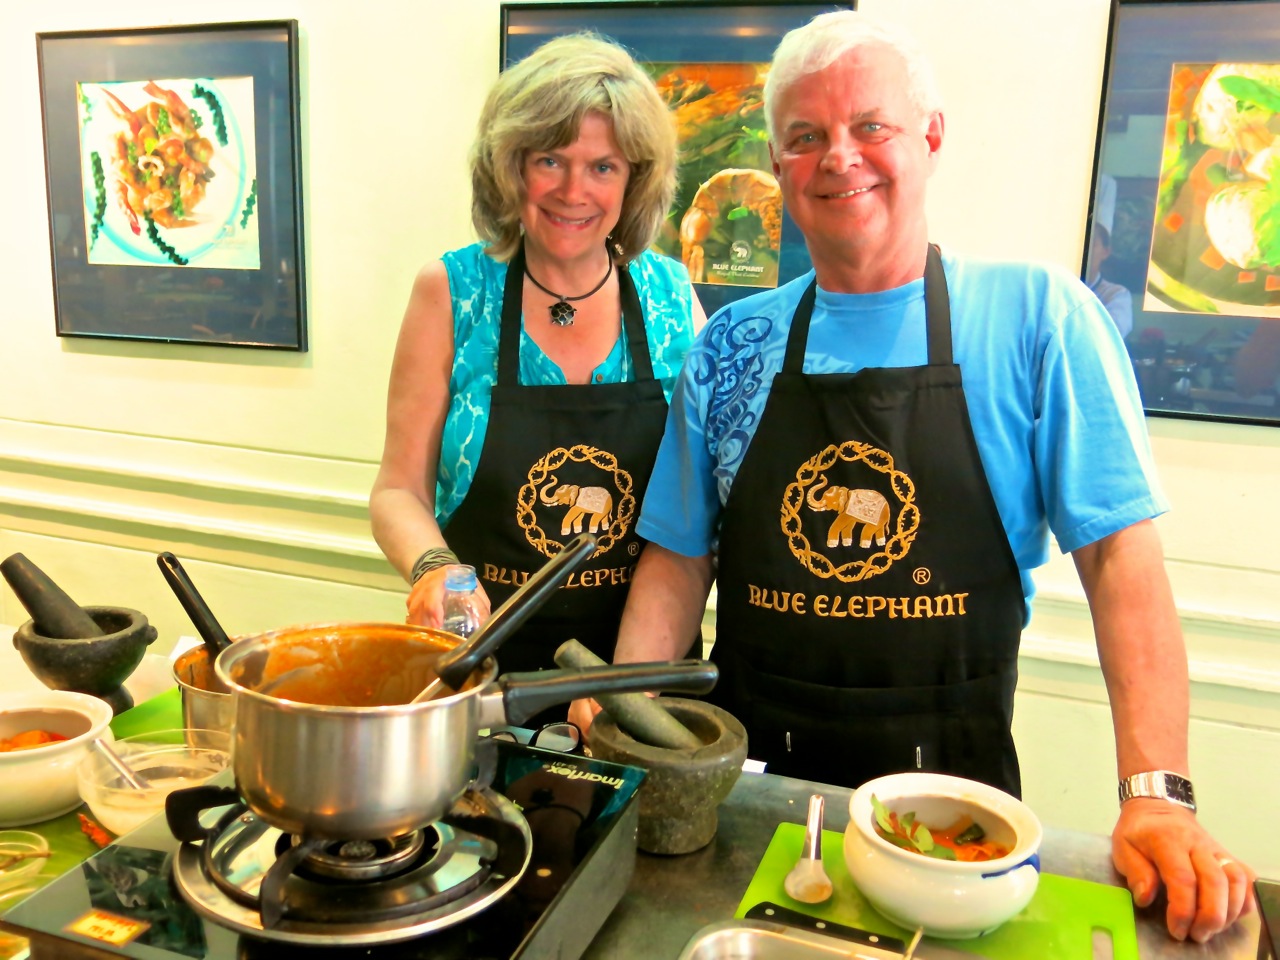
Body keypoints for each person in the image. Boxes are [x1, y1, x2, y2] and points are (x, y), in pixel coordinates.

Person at [573, 11, 1254, 944]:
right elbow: (678, 561)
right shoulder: (733, 345)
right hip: (751, 803)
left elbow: (1121, 564)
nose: (837, 157)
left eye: (871, 127)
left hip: (952, 820)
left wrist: (1158, 796)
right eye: (805, 137)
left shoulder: (1037, 319)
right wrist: (620, 726)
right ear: (778, 168)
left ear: (931, 137)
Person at [370, 33, 703, 677]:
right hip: (484, 659)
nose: (573, 190)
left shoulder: (671, 295)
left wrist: (627, 688)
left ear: (634, 179)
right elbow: (397, 490)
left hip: (638, 665)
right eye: (551, 160)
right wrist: (435, 568)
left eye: (603, 166)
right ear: (510, 164)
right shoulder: (453, 291)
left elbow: (697, 512)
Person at [1087, 174, 1134, 339]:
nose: (1085, 253)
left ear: (1106, 251)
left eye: (1092, 245)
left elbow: (1108, 337)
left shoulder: (1116, 295)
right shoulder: (1056, 288)